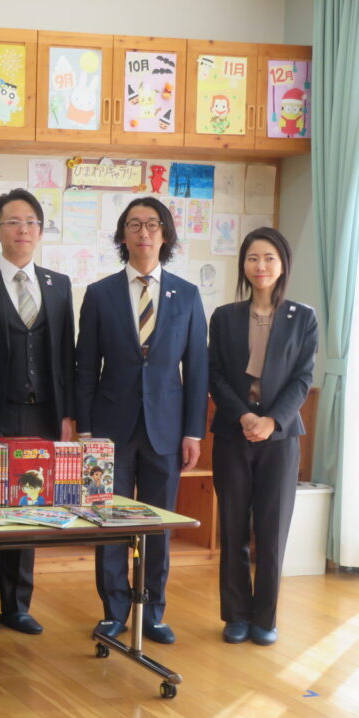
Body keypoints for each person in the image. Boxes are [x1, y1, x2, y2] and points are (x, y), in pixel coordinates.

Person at [75, 196, 208, 645]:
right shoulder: (100, 294)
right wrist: (85, 432)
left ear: (165, 234)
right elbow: (85, 367)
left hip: (166, 430)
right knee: (110, 522)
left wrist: (193, 432)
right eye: (134, 225)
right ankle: (114, 612)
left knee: (157, 524)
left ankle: (152, 611)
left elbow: (198, 369)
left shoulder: (186, 295)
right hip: (109, 430)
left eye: (152, 224)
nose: (144, 232)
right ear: (123, 236)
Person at [0, 188, 75, 638]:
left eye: (30, 222)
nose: (22, 229)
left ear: (40, 231)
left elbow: (65, 356)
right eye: (12, 222)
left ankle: (17, 605)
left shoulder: (58, 285)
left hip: (42, 415)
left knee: (30, 508)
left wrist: (67, 415)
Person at [209, 227, 317, 645]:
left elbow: (302, 378)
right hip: (233, 433)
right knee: (234, 527)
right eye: (253, 258)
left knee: (272, 532)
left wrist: (272, 421)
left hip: (281, 438)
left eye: (269, 258)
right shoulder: (224, 316)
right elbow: (215, 375)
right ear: (243, 265)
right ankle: (236, 615)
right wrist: (243, 416)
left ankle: (265, 618)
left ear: (283, 264)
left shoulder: (303, 317)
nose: (261, 266)